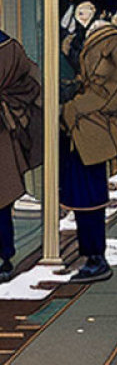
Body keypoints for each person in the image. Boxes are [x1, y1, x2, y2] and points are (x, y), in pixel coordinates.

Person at [61, 0, 117, 283]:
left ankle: (96, 257)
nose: (82, 17)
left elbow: (112, 88)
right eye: (78, 12)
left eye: (87, 11)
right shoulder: (78, 40)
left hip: (93, 125)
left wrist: (73, 107)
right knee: (81, 194)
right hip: (81, 127)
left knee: (89, 194)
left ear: (98, 11)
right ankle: (91, 255)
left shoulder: (110, 41)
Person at [0, 28, 42, 282]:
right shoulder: (11, 46)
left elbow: (30, 82)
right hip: (4, 134)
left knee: (2, 200)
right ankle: (5, 256)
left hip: (2, 134)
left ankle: (5, 257)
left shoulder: (8, 47)